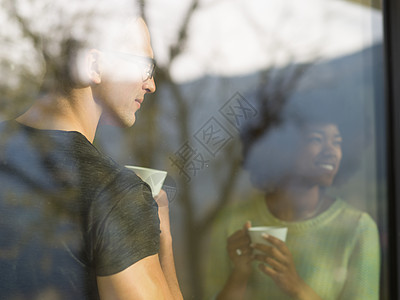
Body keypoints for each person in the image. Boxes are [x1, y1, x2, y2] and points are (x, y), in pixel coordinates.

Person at [0, 2, 183, 299]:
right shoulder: (114, 193)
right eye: (144, 66)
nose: (151, 84)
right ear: (95, 65)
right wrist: (162, 236)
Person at [204, 101, 380, 300]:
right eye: (317, 139)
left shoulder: (358, 229)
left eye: (337, 142)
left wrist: (296, 286)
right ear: (282, 148)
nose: (331, 151)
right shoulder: (231, 224)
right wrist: (239, 276)